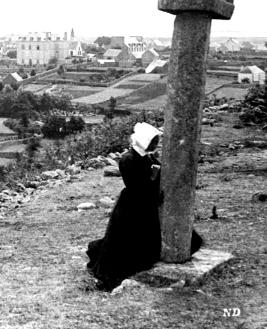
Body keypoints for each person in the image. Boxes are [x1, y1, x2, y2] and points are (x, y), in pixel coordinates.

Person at [86, 122, 203, 291]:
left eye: (156, 141)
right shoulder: (128, 159)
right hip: (132, 207)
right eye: (152, 141)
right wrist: (154, 176)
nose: (155, 145)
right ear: (142, 141)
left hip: (147, 205)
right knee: (125, 243)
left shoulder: (147, 155)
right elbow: (137, 188)